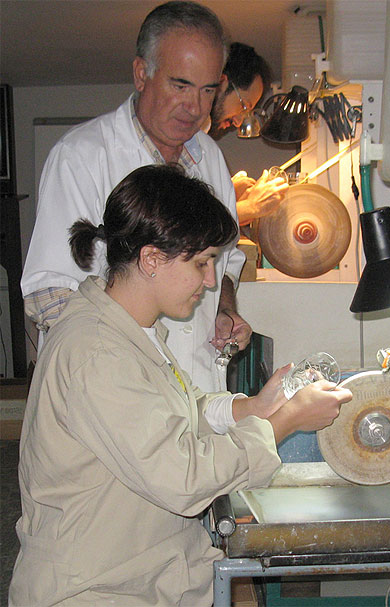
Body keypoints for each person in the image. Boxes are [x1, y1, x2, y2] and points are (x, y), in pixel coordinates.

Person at [9, 164, 352, 606]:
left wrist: (254, 407)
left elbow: (181, 405)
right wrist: (284, 422)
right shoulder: (96, 353)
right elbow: (183, 479)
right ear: (151, 259)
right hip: (94, 587)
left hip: (147, 563)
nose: (211, 281)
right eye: (202, 262)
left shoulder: (130, 329)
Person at [20, 1, 248, 393]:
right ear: (142, 74)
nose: (194, 107)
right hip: (111, 391)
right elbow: (48, 296)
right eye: (180, 85)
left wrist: (224, 308)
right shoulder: (83, 155)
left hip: (196, 383)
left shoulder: (209, 156)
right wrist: (124, 371)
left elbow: (226, 260)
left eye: (208, 90)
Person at [208, 41, 290, 226]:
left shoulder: (201, 142)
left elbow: (200, 209)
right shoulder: (177, 137)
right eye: (244, 105)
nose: (237, 122)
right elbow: (190, 225)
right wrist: (252, 207)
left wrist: (226, 194)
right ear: (222, 83)